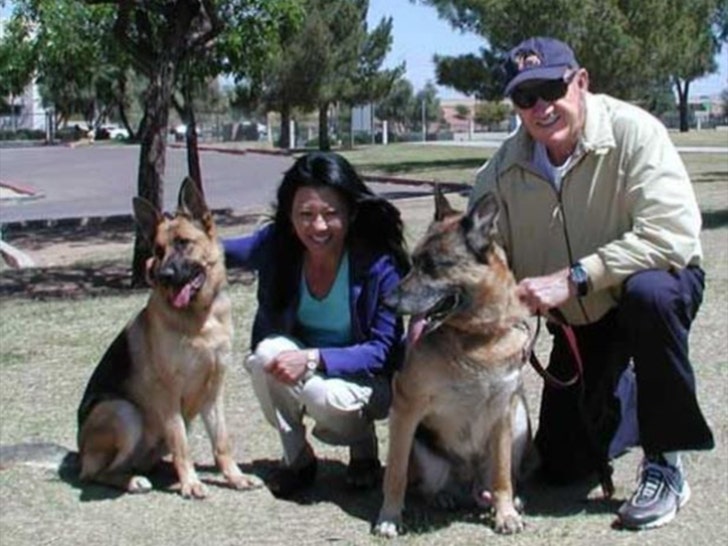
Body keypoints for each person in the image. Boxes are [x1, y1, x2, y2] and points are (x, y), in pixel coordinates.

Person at [470, 36, 714, 530]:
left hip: (646, 292)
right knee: (560, 467)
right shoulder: (501, 169)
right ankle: (625, 398)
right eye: (524, 97)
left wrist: (577, 276)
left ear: (580, 82)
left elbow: (671, 235)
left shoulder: (635, 132)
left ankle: (665, 464)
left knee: (652, 297)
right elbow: (478, 252)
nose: (541, 107)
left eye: (550, 88)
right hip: (580, 323)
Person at [223, 151, 410, 498]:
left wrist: (312, 359)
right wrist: (167, 256)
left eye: (330, 214)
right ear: (290, 216)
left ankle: (364, 449)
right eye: (305, 215)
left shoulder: (379, 263)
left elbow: (382, 351)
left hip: (366, 381)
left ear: (351, 213)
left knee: (320, 394)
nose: (318, 227)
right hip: (309, 371)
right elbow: (217, 252)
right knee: (266, 355)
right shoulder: (278, 245)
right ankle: (298, 459)